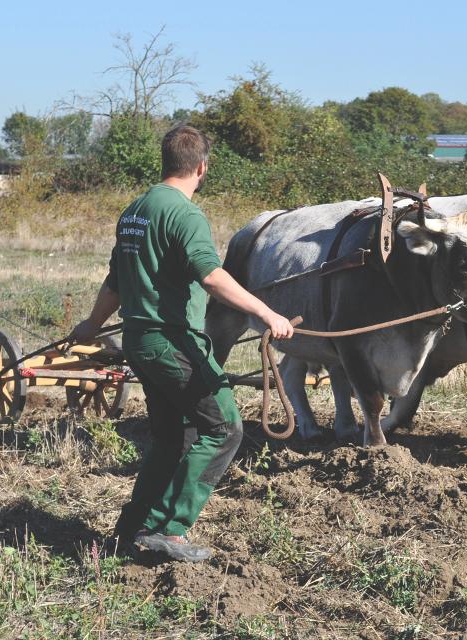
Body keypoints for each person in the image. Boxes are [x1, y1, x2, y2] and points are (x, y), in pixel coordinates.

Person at [71, 125, 293, 562]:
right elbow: (210, 275)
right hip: (173, 343)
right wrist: (267, 313)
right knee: (224, 428)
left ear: (166, 161)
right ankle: (170, 530)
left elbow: (115, 282)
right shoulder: (185, 215)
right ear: (202, 167)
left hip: (140, 341)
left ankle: (132, 528)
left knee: (173, 438)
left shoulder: (135, 210)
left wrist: (91, 323)